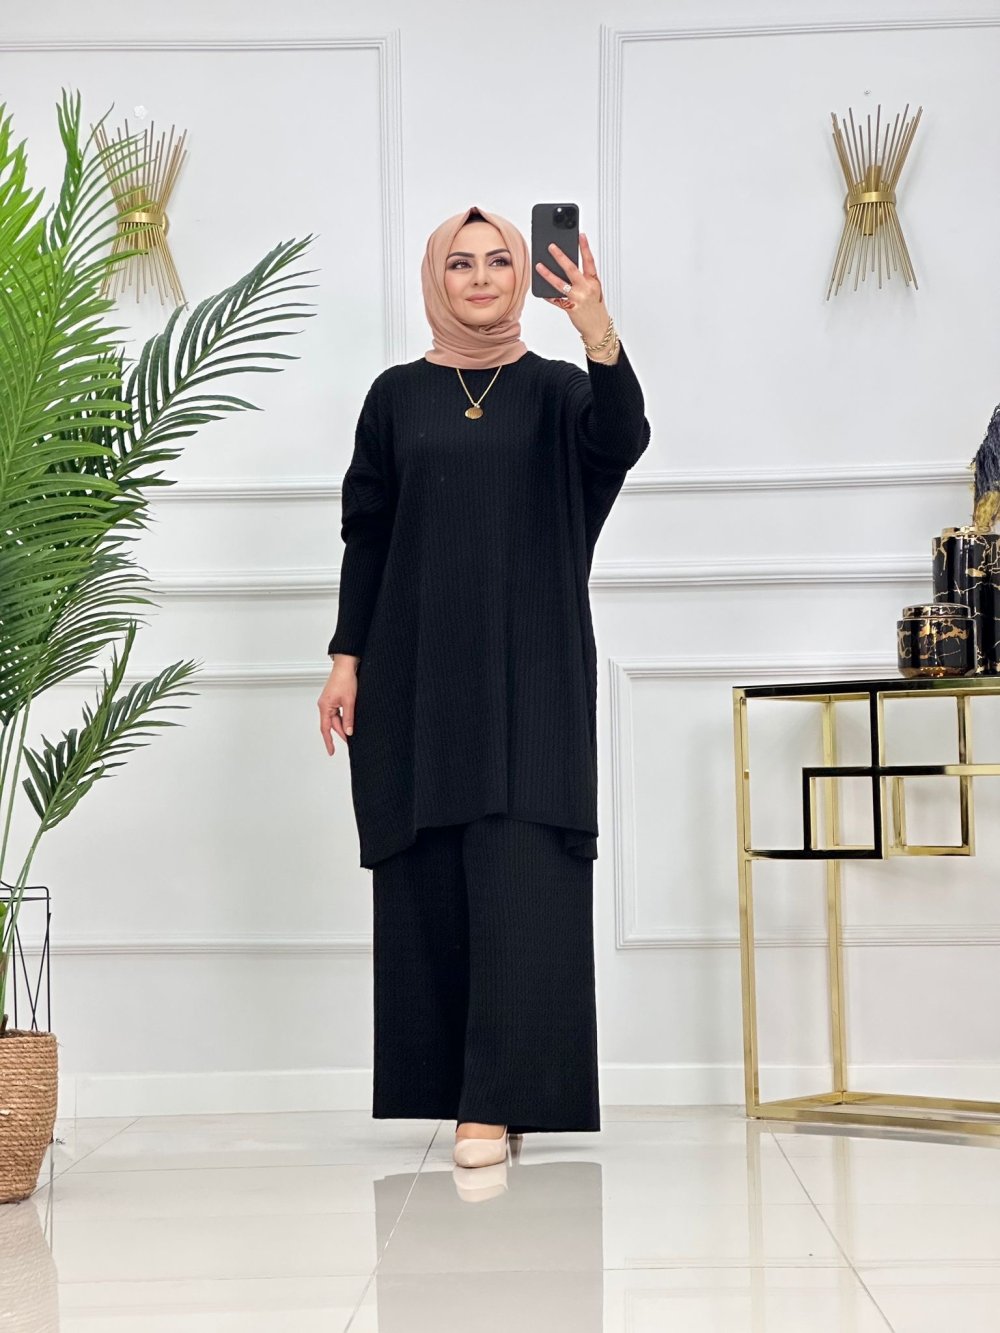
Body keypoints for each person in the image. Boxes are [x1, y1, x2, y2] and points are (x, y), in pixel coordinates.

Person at [318, 205, 650, 1169]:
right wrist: (346, 656)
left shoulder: (556, 391)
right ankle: (459, 1087)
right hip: (417, 665)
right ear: (436, 279)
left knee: (521, 868)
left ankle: (496, 1102)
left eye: (499, 260)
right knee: (430, 869)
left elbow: (621, 438)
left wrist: (596, 328)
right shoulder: (395, 397)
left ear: (521, 277)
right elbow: (368, 531)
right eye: (459, 263)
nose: (479, 277)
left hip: (531, 664)